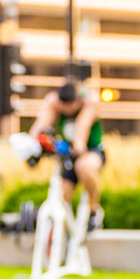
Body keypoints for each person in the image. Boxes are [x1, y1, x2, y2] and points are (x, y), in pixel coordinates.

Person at [30, 81, 106, 229]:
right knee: (62, 196)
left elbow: (81, 129)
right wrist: (32, 145)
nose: (67, 110)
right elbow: (40, 126)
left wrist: (78, 146)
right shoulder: (55, 105)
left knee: (84, 167)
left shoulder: (88, 104)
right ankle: (63, 233)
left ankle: (94, 210)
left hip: (91, 152)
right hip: (68, 157)